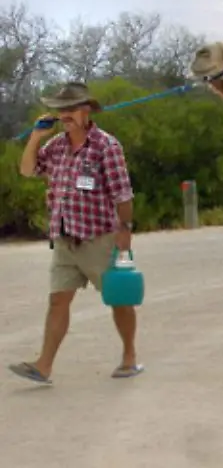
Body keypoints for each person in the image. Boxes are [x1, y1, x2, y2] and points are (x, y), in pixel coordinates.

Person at [8, 81, 143, 385]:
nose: (64, 115)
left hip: (99, 237)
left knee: (118, 300)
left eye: (71, 109)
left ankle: (129, 356)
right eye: (60, 110)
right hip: (65, 238)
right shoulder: (54, 147)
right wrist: (35, 136)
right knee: (58, 301)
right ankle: (43, 366)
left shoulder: (106, 147)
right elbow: (28, 170)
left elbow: (123, 194)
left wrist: (125, 232)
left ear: (86, 111)